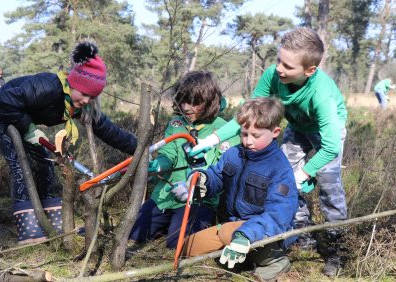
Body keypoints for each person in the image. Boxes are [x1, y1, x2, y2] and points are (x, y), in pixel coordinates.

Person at [190, 27, 349, 277]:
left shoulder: (322, 95)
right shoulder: (273, 76)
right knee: (285, 184)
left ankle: (337, 249)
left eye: (287, 66)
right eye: (278, 60)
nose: (279, 69)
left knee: (329, 188)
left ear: (310, 70)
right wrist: (214, 138)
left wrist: (306, 173)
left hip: (327, 134)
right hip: (297, 127)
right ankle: (300, 235)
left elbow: (330, 147)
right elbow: (249, 115)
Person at [0, 42, 137, 245]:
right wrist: (28, 127)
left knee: (46, 164)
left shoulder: (82, 106)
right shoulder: (48, 86)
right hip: (2, 113)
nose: (86, 100)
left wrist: (139, 147)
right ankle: (28, 228)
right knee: (20, 165)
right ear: (73, 83)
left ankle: (52, 222)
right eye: (83, 94)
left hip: (24, 117)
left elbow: (109, 131)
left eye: (92, 97)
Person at [181, 97, 298, 281]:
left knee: (231, 233)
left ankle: (276, 261)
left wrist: (246, 234)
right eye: (244, 134)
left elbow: (278, 215)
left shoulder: (280, 168)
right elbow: (216, 176)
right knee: (187, 249)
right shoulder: (233, 154)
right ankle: (241, 253)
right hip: (228, 225)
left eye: (256, 136)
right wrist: (202, 181)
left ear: (275, 132)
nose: (248, 141)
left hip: (262, 231)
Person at [128, 71, 240, 249]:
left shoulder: (225, 130)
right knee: (133, 233)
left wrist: (192, 187)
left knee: (178, 244)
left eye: (195, 103)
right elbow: (168, 154)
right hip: (166, 195)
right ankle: (168, 222)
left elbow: (222, 171)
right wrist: (157, 166)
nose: (186, 107)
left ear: (210, 101)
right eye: (183, 101)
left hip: (198, 201)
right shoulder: (176, 124)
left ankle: (193, 226)